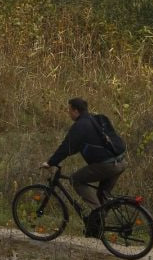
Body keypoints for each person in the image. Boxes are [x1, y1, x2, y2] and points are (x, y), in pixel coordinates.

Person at [41, 97, 128, 235]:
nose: (68, 113)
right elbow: (77, 146)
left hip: (108, 165)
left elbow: (66, 147)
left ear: (75, 111)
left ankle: (96, 213)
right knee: (102, 195)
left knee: (76, 179)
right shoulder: (95, 119)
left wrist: (51, 162)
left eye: (69, 110)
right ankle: (96, 228)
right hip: (121, 162)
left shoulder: (80, 126)